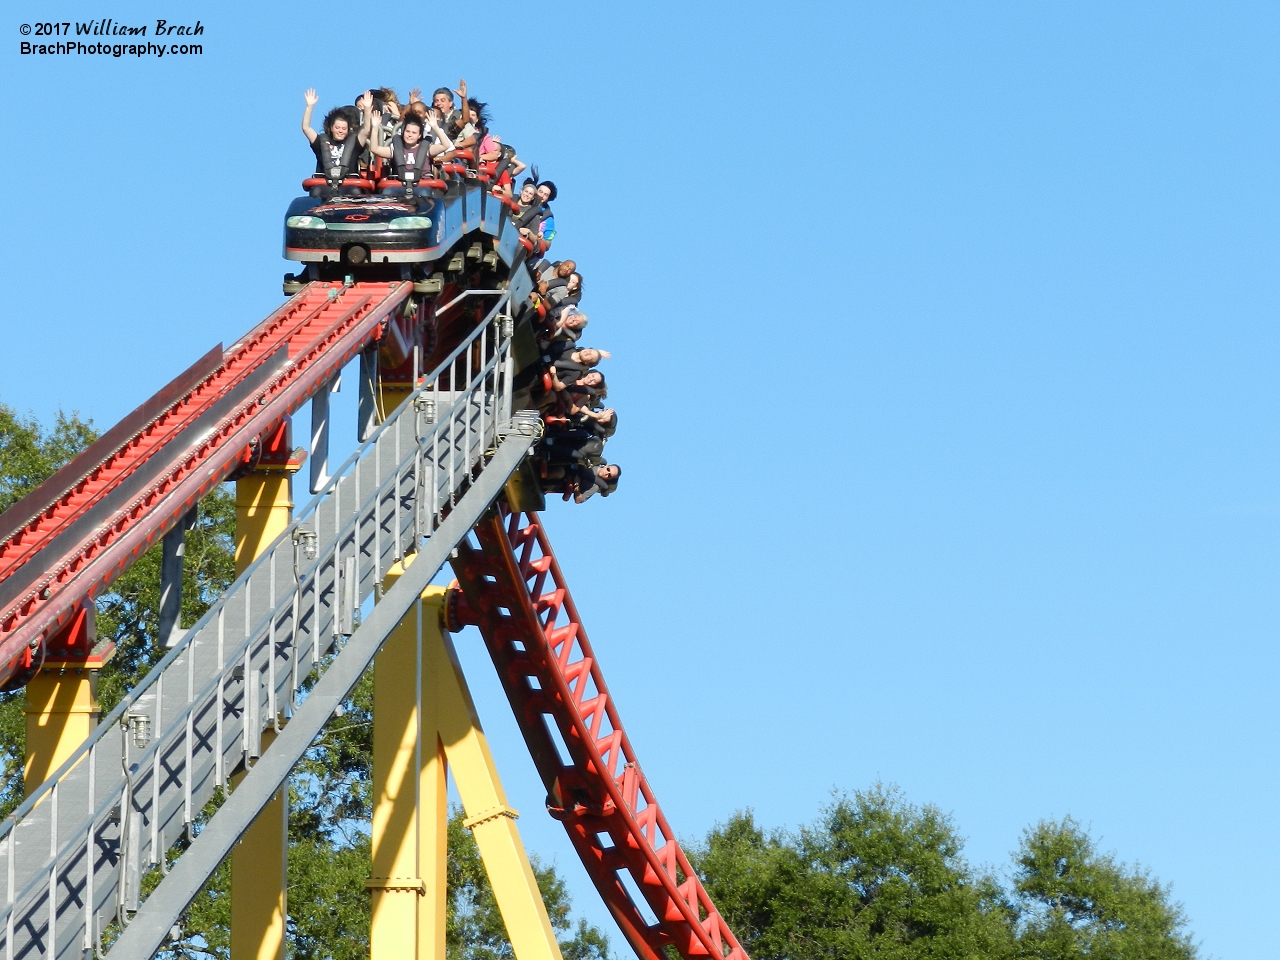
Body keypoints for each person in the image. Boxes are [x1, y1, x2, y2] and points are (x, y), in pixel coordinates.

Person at [302, 89, 375, 185]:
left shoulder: (354, 144)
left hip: (349, 186)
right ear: (331, 128)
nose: (340, 131)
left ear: (348, 130)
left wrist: (367, 109)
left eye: (344, 128)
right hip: (324, 186)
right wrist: (309, 107)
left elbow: (366, 130)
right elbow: (306, 128)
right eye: (337, 128)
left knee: (355, 192)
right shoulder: (321, 142)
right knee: (316, 193)